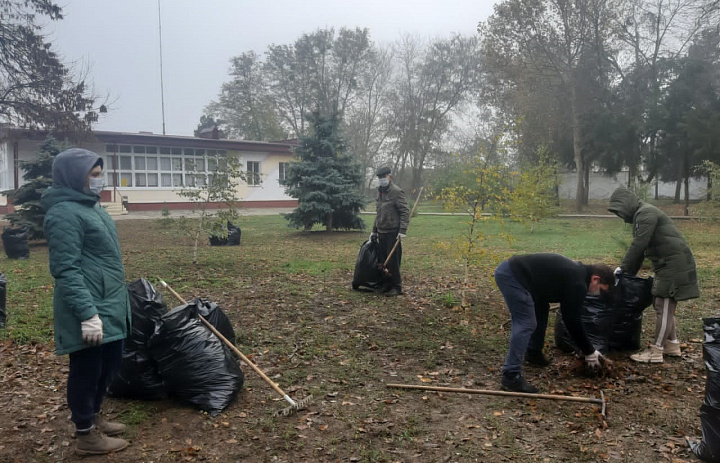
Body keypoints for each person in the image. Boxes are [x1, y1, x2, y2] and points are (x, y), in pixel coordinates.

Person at [41, 148, 131, 455]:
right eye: (93, 175)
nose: (99, 180)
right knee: (87, 369)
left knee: (109, 363)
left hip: (108, 300)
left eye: (99, 174)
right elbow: (65, 269)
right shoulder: (63, 213)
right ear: (75, 177)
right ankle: (85, 435)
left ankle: (94, 417)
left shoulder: (92, 207)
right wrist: (87, 314)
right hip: (88, 305)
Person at [494, 253, 614, 393]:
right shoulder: (578, 283)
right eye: (601, 290)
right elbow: (572, 320)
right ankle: (510, 376)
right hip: (512, 275)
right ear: (595, 279)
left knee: (541, 307)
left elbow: (569, 314)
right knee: (526, 322)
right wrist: (589, 351)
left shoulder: (578, 274)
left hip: (525, 278)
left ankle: (533, 352)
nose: (597, 294)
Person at [608, 187, 699, 363]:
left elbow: (639, 244)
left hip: (673, 264)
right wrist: (627, 273)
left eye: (619, 211)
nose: (620, 216)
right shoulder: (643, 213)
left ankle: (656, 351)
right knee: (661, 303)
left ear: (626, 204)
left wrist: (624, 269)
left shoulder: (645, 213)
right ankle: (672, 344)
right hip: (668, 263)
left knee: (663, 305)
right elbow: (642, 247)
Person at [370, 166, 410, 296]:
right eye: (380, 178)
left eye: (384, 177)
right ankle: (386, 284)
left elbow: (404, 212)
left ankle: (396, 286)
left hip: (393, 232)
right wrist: (374, 230)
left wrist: (402, 230)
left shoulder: (396, 192)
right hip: (381, 231)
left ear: (390, 177)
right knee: (382, 260)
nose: (382, 180)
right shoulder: (380, 192)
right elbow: (378, 213)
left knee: (392, 261)